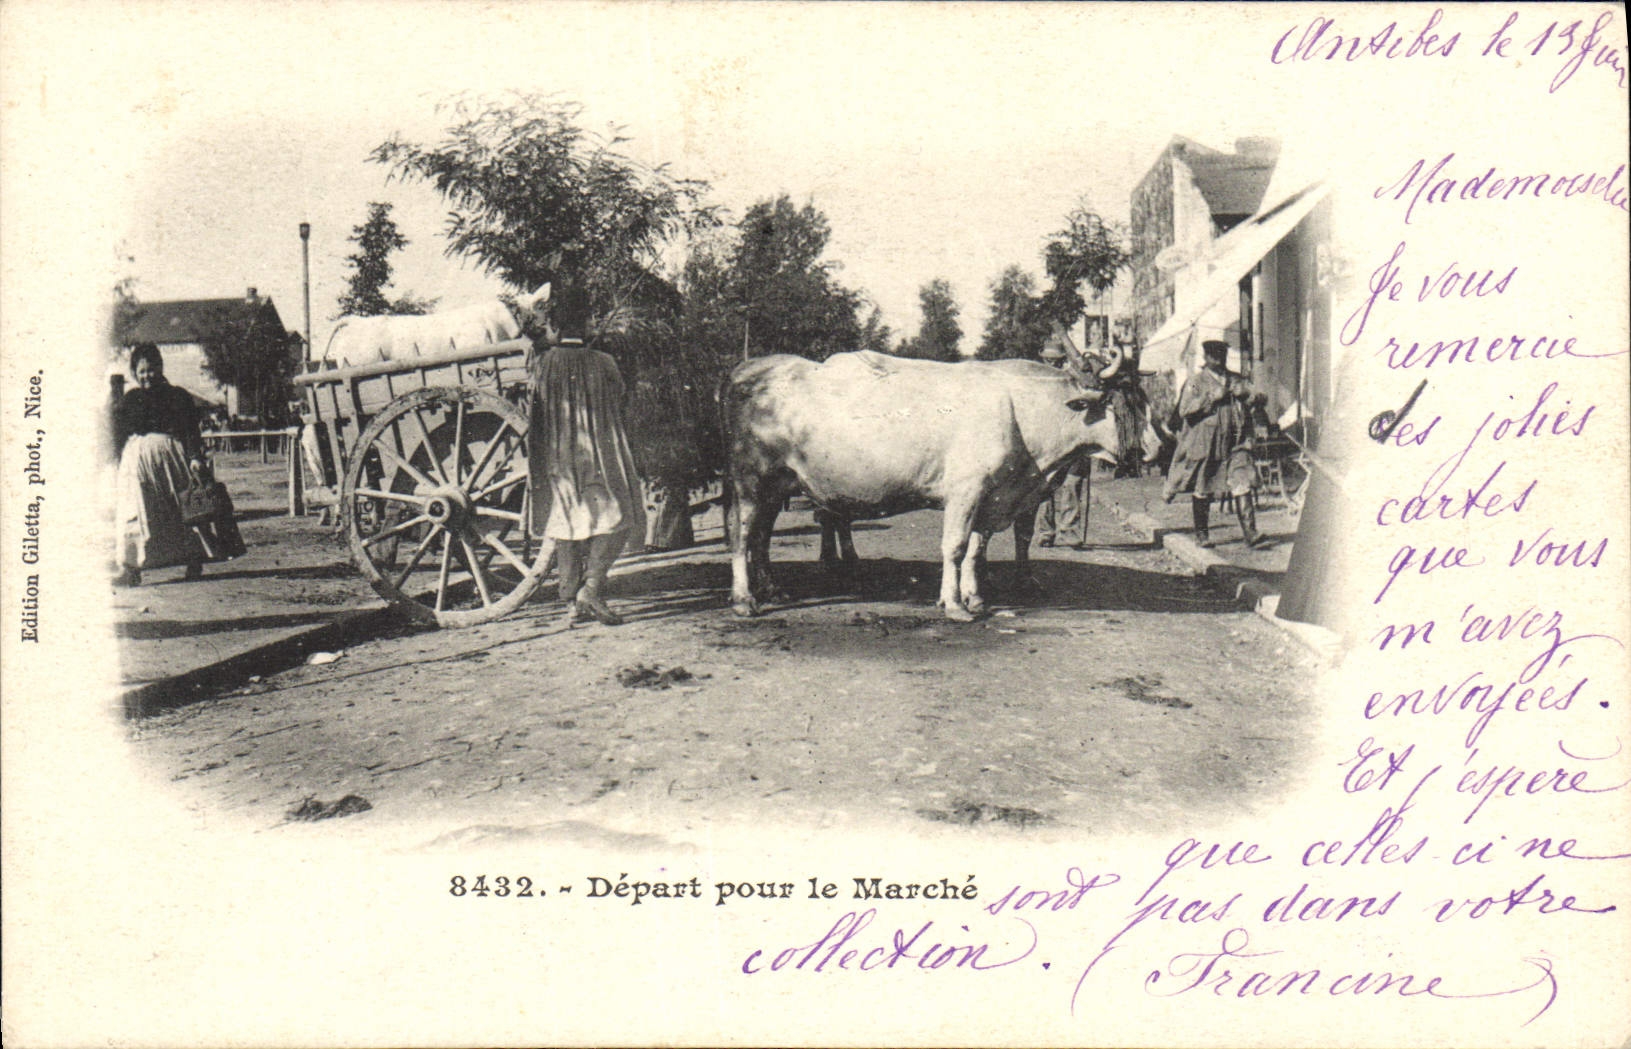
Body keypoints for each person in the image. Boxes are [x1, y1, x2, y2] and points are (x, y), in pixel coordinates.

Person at [527, 285, 646, 627]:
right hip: (598, 455)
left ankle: (570, 598)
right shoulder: (604, 362)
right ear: (588, 323)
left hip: (559, 456)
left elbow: (535, 406)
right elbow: (621, 396)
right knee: (618, 517)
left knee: (567, 521)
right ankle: (591, 588)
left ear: (556, 326)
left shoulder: (544, 364)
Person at [112, 343, 205, 586]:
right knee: (133, 513)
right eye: (141, 371)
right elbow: (118, 434)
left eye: (151, 369)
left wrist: (195, 458)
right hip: (136, 465)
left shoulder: (178, 396)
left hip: (171, 461)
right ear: (134, 373)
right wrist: (115, 461)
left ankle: (194, 559)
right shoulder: (130, 399)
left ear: (160, 368)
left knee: (180, 509)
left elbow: (190, 431)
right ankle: (130, 569)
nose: (146, 376)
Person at [1162, 338, 1264, 549]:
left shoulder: (1236, 379)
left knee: (1241, 482)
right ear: (1206, 358)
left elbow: (1260, 399)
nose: (1218, 359)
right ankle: (1202, 535)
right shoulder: (1196, 381)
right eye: (1213, 355)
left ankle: (1251, 533)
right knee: (1203, 487)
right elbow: (1184, 411)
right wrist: (1210, 398)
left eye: (1222, 355)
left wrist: (1246, 394)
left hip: (1236, 442)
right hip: (1206, 443)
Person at [1033, 339, 1092, 548]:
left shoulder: (1074, 381)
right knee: (1044, 489)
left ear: (1063, 361)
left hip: (1074, 443)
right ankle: (1046, 532)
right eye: (1048, 360)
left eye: (1056, 361)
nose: (1052, 365)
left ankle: (1069, 532)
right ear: (1042, 359)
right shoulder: (1036, 384)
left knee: (1072, 485)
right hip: (1046, 445)